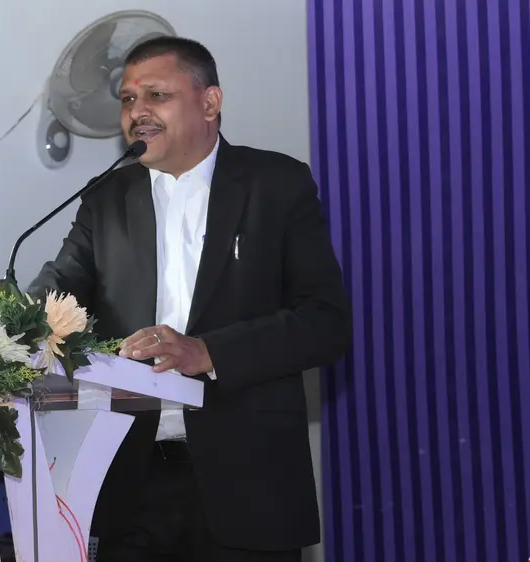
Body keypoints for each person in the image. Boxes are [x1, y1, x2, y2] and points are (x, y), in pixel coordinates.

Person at [27, 35, 351, 562]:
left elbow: (325, 322)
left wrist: (207, 352)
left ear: (209, 102)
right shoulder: (107, 198)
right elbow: (55, 296)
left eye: (156, 95)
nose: (137, 112)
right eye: (128, 99)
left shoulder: (275, 185)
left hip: (248, 482)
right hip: (128, 486)